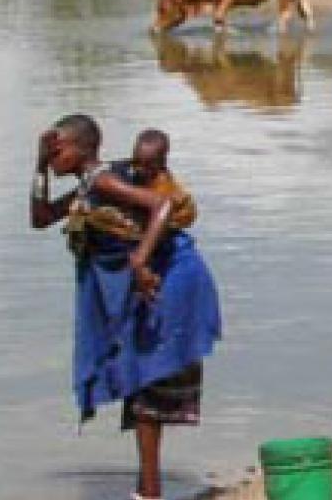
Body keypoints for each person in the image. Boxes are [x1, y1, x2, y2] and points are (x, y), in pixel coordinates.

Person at [30, 115, 222, 500]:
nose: (53, 156)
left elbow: (162, 206)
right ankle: (147, 489)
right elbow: (41, 218)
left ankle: (149, 493)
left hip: (168, 280)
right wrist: (38, 168)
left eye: (57, 149)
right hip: (151, 284)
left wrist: (139, 261)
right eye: (50, 151)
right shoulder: (88, 187)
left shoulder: (102, 180)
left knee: (147, 383)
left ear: (82, 148)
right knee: (141, 383)